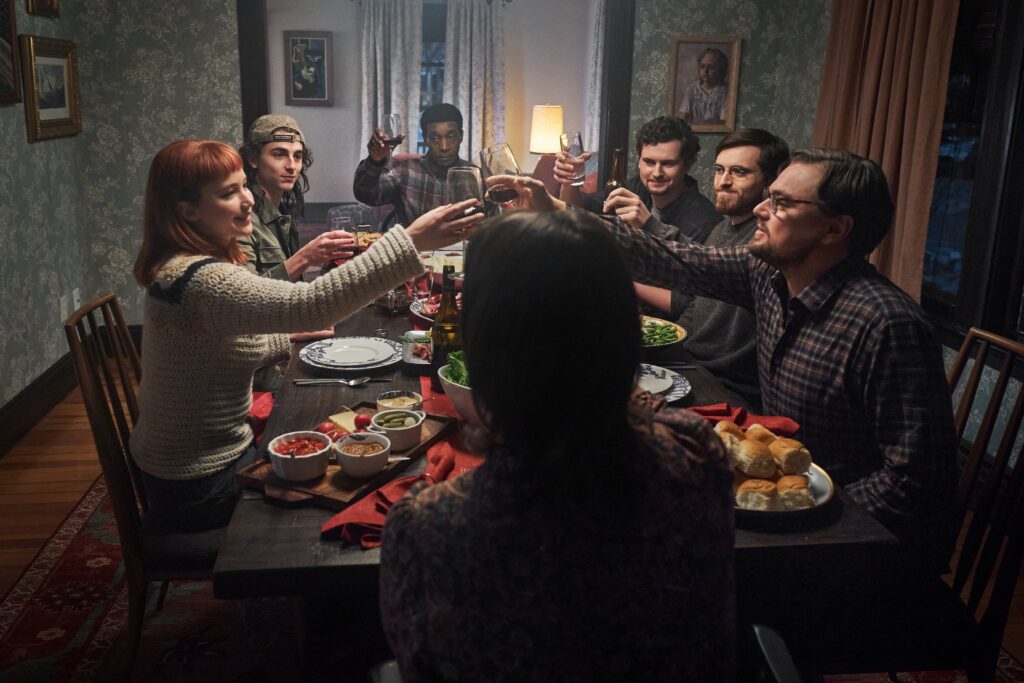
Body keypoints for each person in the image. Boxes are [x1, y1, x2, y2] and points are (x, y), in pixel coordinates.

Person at [492, 149, 958, 575]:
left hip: (847, 549)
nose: (761, 209)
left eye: (780, 203)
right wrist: (557, 211)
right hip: (775, 502)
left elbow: (917, 482)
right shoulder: (769, 274)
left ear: (835, 229)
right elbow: (673, 257)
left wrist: (803, 515)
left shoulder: (887, 324)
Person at [379, 210, 735, 681]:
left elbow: (417, 665)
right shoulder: (696, 454)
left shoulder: (427, 527)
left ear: (484, 350)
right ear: (627, 333)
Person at [129, 140, 482, 533]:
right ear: (188, 210)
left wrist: (290, 339)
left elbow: (220, 350)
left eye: (243, 185)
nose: (247, 199)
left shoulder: (181, 267)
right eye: (228, 193)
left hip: (186, 472)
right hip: (199, 485)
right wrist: (409, 241)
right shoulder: (203, 280)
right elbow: (313, 303)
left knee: (347, 449)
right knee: (362, 480)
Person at [634, 128, 790, 410]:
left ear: (769, 183)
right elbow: (695, 304)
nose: (723, 181)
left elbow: (688, 265)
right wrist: (668, 343)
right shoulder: (721, 228)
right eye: (719, 170)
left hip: (727, 386)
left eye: (739, 172)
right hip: (690, 362)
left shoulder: (765, 241)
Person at [555, 116, 721, 243]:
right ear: (639, 161)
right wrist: (569, 180)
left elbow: (685, 273)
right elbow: (577, 209)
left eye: (668, 163)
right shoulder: (637, 187)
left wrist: (648, 224)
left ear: (687, 165)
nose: (657, 173)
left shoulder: (704, 221)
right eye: (649, 162)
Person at [237, 114, 355, 282]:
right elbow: (246, 293)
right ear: (253, 159)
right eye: (279, 155)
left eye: (297, 156)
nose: (292, 166)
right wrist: (305, 257)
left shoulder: (282, 215)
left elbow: (291, 290)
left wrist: (330, 266)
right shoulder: (241, 217)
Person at [354, 103, 474, 226]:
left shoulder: (475, 175)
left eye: (451, 136)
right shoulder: (405, 171)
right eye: (435, 138)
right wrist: (375, 161)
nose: (444, 147)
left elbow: (485, 221)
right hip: (416, 239)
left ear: (461, 136)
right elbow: (366, 194)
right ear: (425, 138)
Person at [677, 47, 729, 125]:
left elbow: (724, 121)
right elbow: (683, 115)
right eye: (702, 66)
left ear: (720, 69)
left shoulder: (725, 91)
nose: (705, 71)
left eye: (711, 67)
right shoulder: (693, 89)